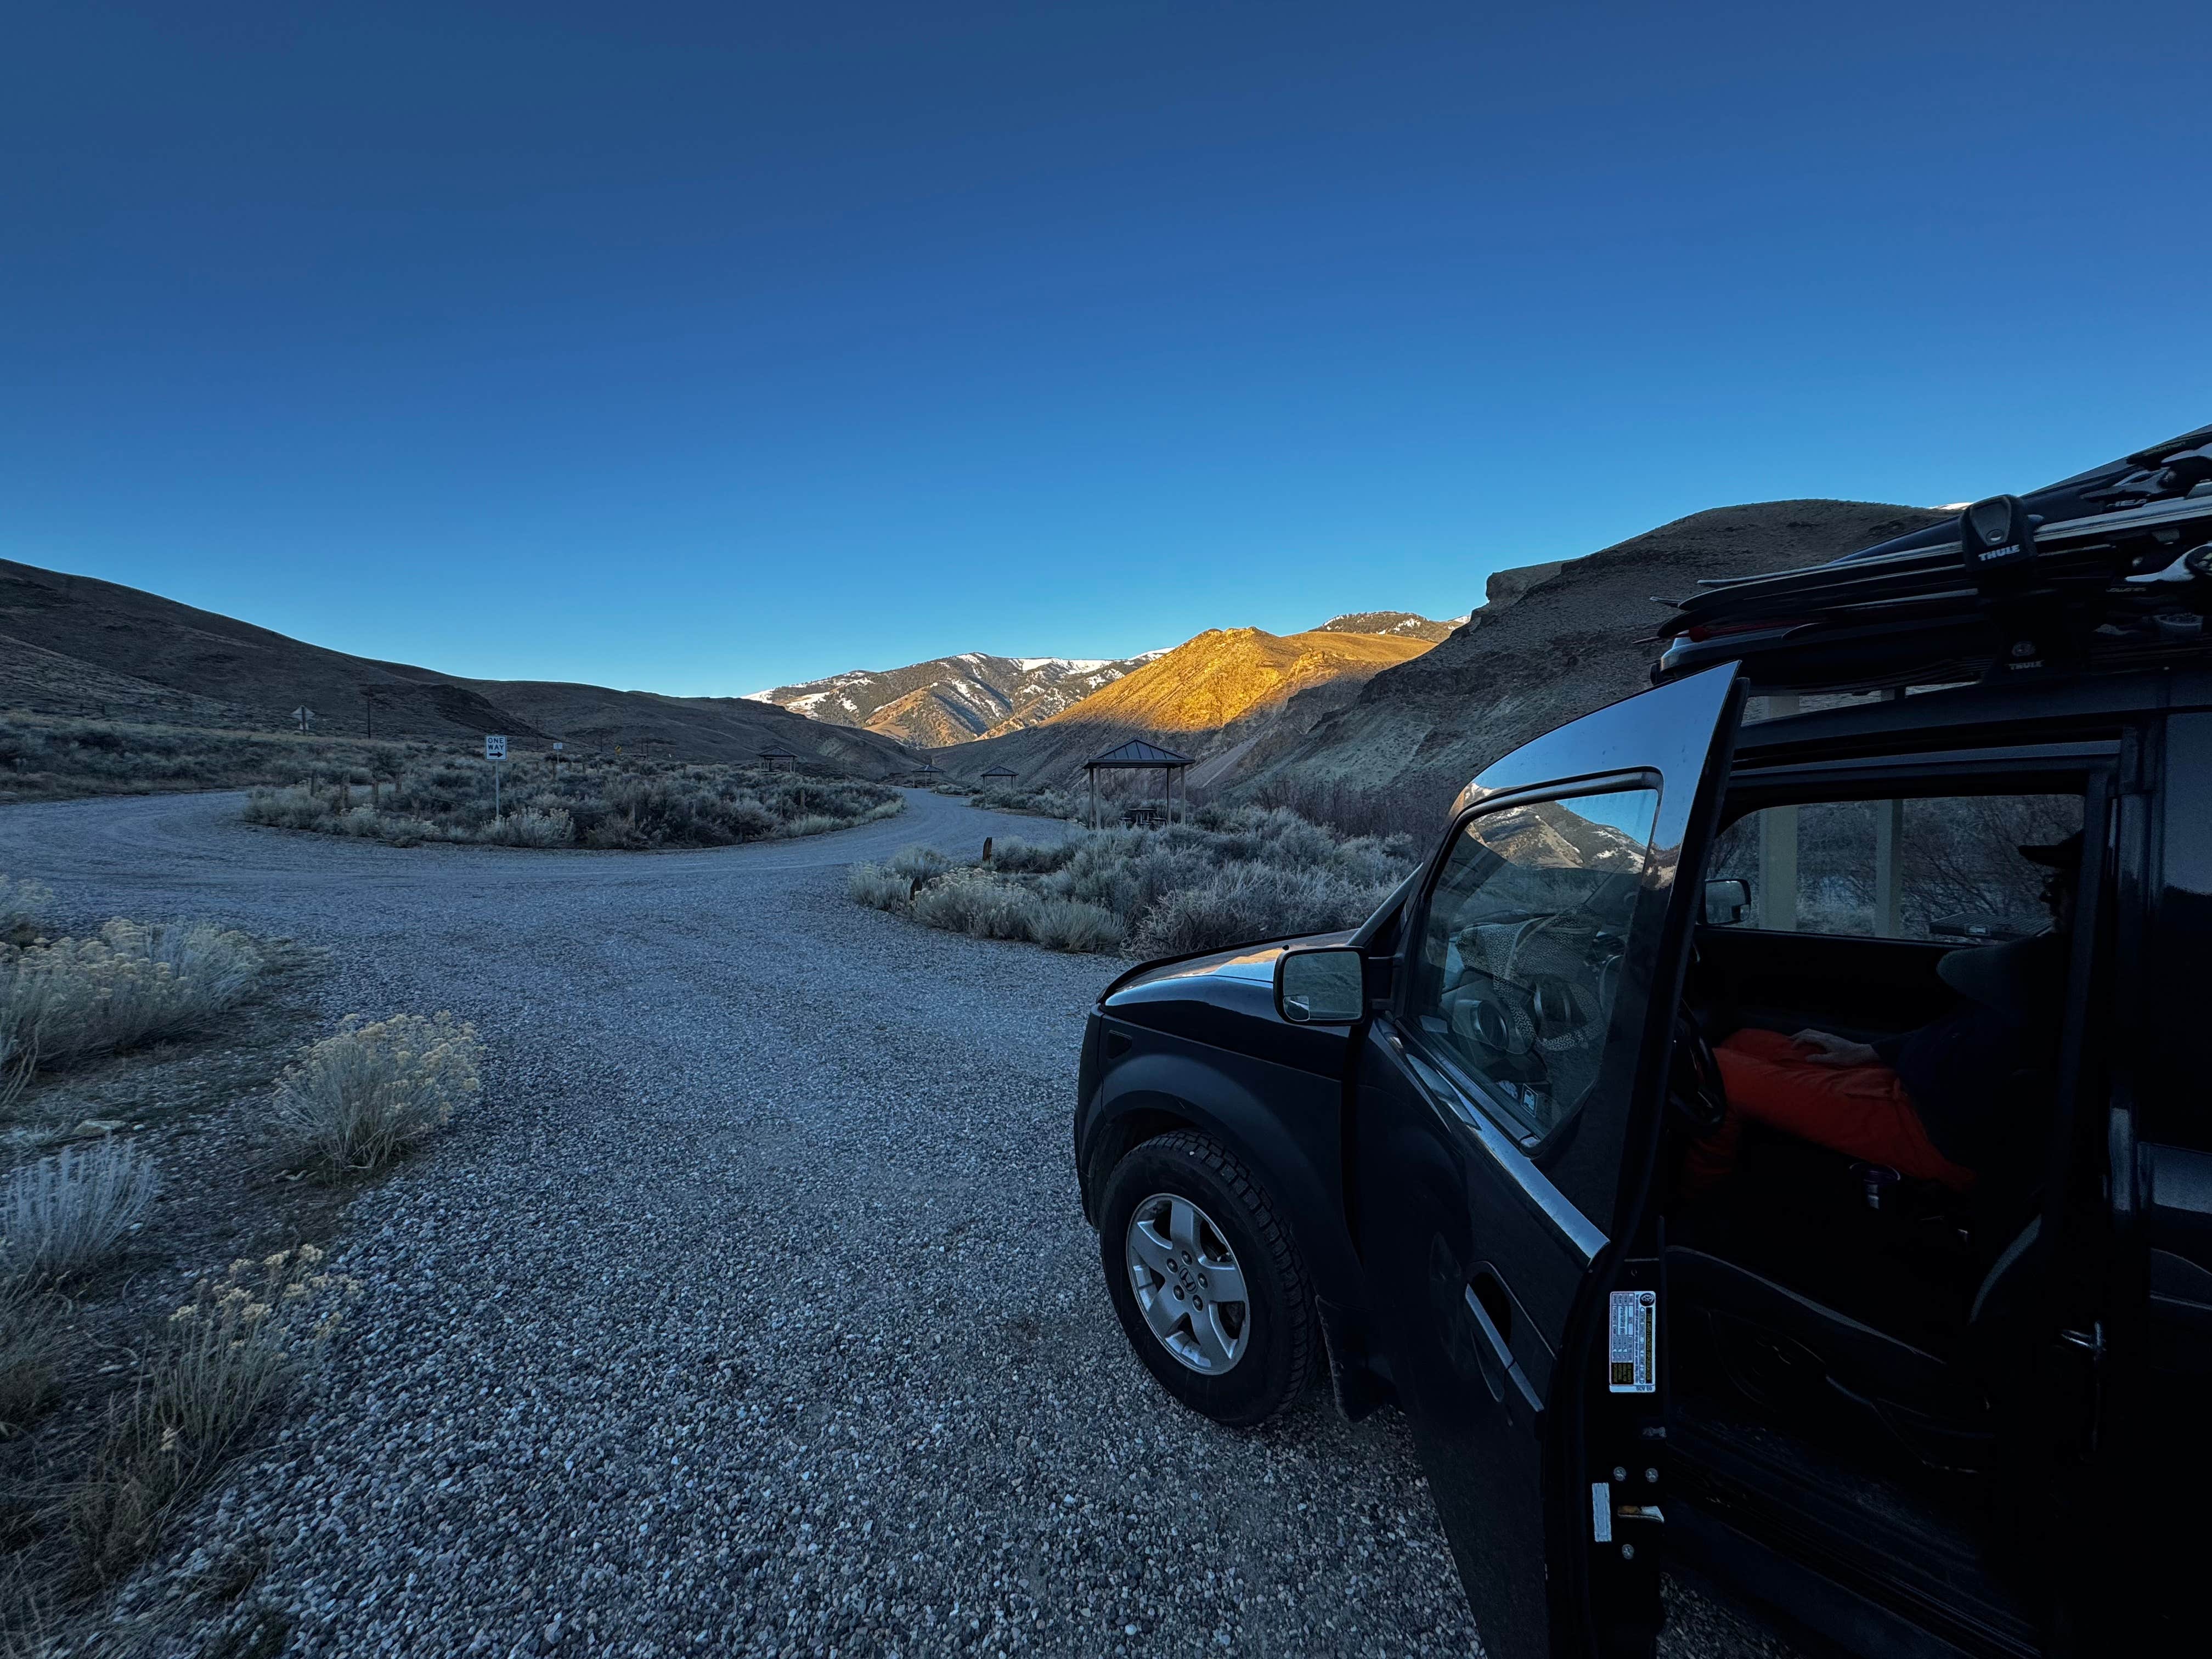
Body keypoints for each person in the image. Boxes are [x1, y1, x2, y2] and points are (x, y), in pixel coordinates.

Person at [1685, 832, 2079, 1193]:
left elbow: (1959, 970)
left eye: (2062, 884)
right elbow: (1969, 1021)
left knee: (1716, 1072)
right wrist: (1872, 1051)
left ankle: (1701, 1197)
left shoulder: (2073, 963)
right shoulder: (2064, 954)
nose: (2048, 897)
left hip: (1935, 1128)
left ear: (2097, 890)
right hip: (1920, 1080)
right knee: (1743, 1041)